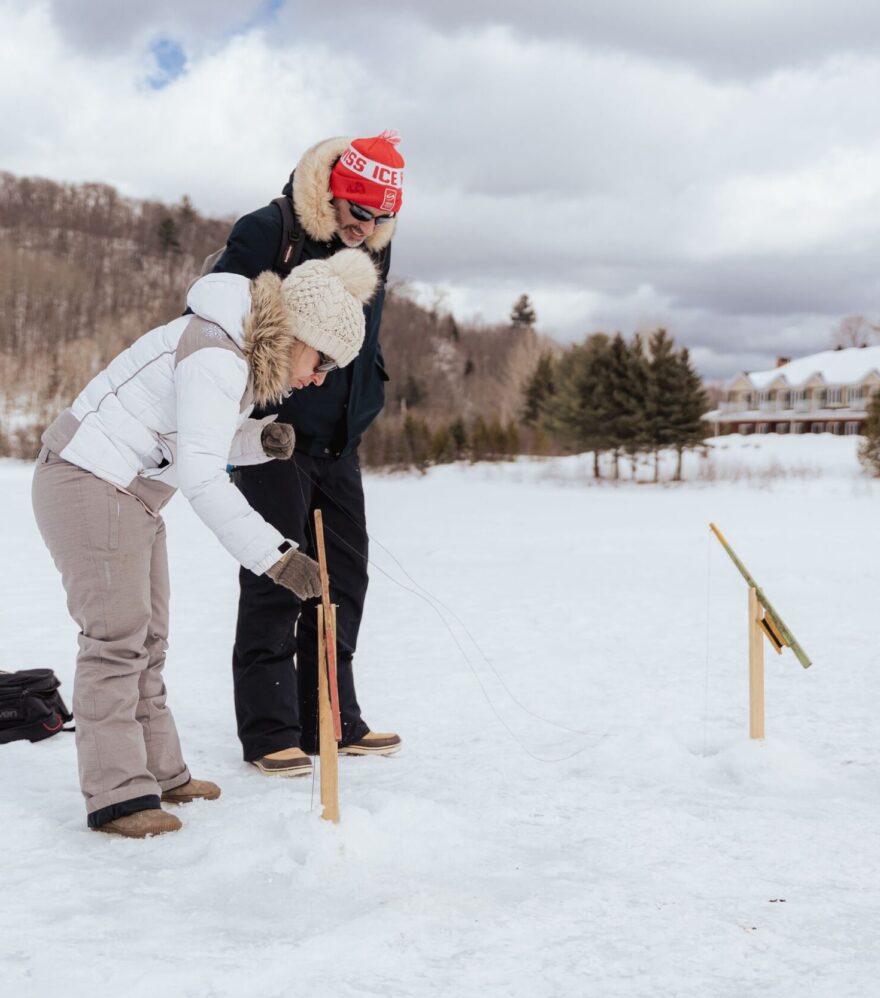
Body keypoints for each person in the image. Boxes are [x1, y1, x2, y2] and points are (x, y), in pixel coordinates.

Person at [32, 250, 378, 838]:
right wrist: (276, 557)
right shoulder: (217, 355)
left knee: (149, 639)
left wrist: (256, 439)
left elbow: (199, 436)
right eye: (322, 361)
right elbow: (200, 474)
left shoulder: (234, 353)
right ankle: (117, 795)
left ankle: (161, 775)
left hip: (131, 492)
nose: (319, 378)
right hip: (88, 481)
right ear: (298, 334)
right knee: (116, 641)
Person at [212, 131, 405, 776]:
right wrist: (260, 406)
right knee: (278, 577)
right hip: (271, 437)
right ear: (332, 195)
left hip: (339, 443)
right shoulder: (270, 229)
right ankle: (271, 733)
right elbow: (217, 321)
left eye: (382, 218)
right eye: (357, 213)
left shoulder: (375, 243)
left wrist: (365, 397)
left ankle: (333, 719)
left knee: (344, 582)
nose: (367, 228)